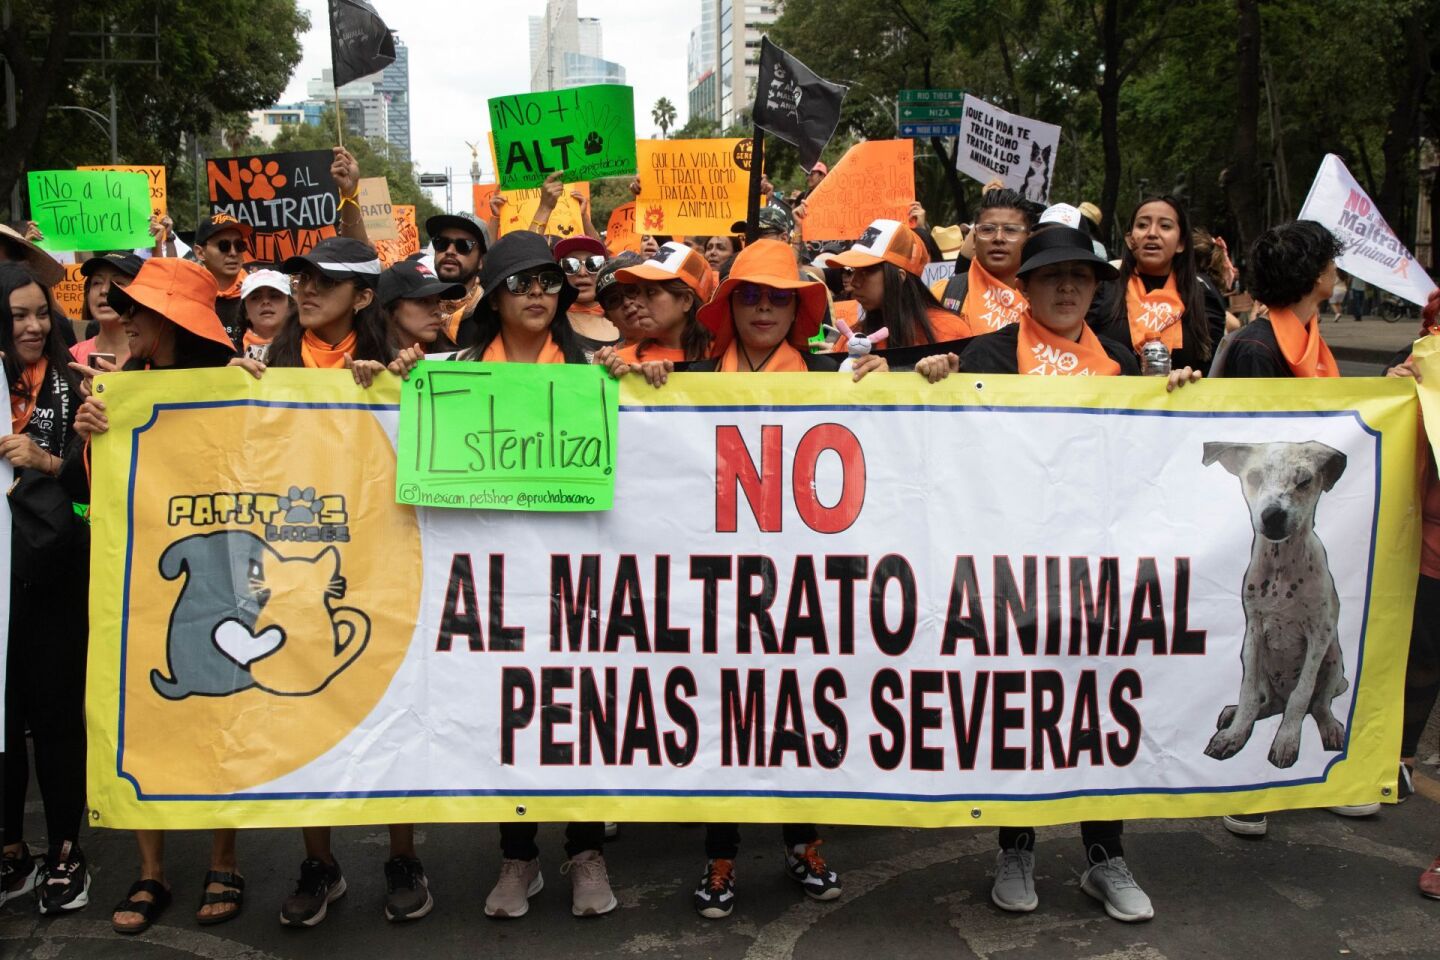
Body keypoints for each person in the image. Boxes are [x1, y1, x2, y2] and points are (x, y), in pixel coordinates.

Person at [915, 225, 1199, 924]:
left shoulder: (1126, 370)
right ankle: (1016, 846)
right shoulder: (984, 355)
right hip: (1011, 574)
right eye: (1052, 277)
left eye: (1082, 277)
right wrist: (931, 381)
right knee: (1024, 705)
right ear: (1025, 289)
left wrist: (1184, 400)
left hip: (1099, 576)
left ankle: (1106, 855)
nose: (1068, 288)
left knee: (1096, 711)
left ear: (1097, 289)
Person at [67, 258, 240, 934]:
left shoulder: (231, 385)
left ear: (170, 321)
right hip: (138, 578)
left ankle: (225, 860)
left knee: (220, 714)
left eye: (137, 310)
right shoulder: (115, 391)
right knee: (144, 721)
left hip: (217, 577)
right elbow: (86, 499)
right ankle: (151, 872)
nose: (122, 318)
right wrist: (89, 438)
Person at [1211, 220, 1366, 834]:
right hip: (1261, 537)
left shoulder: (1309, 345)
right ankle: (1248, 792)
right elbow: (1261, 446)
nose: (1336, 275)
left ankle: (1310, 767)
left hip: (1308, 541)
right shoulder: (1258, 349)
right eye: (1331, 264)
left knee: (1320, 638)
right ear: (1316, 277)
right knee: (1254, 635)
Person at [1, 263, 89, 916]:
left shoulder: (74, 384)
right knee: (3, 723)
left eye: (40, 313)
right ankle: (11, 849)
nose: (33, 326)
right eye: (17, 316)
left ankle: (64, 850)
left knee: (56, 720)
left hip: (56, 577)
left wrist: (49, 461)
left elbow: (99, 484)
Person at [1093, 196, 1224, 374]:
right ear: (1130, 239)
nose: (1152, 233)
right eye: (1142, 225)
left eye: (1165, 226)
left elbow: (1212, 370)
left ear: (1180, 243)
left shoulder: (1202, 296)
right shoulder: (1103, 289)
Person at [831, 218, 973, 350]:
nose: (854, 282)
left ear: (900, 277)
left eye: (867, 271)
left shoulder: (951, 331)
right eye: (854, 271)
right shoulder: (853, 340)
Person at [593, 242, 715, 369]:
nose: (637, 302)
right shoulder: (621, 365)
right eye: (637, 292)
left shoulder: (724, 357)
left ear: (686, 300)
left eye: (651, 292)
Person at [932, 189, 1035, 333]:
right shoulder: (942, 294)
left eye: (1010, 230)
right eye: (988, 229)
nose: (998, 238)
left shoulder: (1044, 302)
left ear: (1028, 241)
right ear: (974, 240)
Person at [426, 211, 490, 346]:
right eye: (441, 243)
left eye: (464, 245)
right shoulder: (413, 313)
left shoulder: (493, 317)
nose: (449, 251)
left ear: (481, 261)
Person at [378, 258, 465, 356]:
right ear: (392, 310)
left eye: (437, 302)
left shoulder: (453, 360)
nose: (437, 311)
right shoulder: (365, 365)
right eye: (423, 301)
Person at [71, 252, 143, 368]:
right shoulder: (72, 356)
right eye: (97, 283)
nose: (104, 290)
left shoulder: (152, 358)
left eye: (118, 283)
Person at [554, 235, 620, 360]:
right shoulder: (549, 321)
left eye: (593, 263)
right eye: (570, 265)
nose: (582, 272)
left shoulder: (627, 315)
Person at [192, 213, 253, 348]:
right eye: (223, 245)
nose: (233, 252)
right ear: (200, 253)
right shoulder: (187, 296)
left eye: (239, 245)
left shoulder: (257, 294)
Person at [238, 269, 294, 362]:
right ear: (245, 311)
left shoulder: (306, 349)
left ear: (290, 307)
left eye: (275, 296)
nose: (265, 302)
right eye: (255, 297)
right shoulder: (230, 352)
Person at [592, 252, 646, 345]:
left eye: (632, 290)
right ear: (608, 317)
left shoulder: (679, 343)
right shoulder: (607, 359)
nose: (626, 302)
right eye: (613, 300)